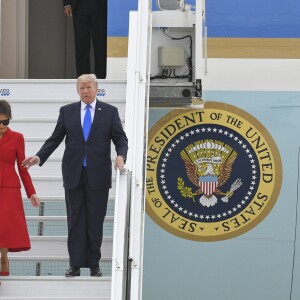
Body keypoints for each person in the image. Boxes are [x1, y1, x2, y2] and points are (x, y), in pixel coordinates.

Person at [22, 74, 128, 277]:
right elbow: (55, 139)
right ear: (77, 90)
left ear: (96, 88)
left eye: (88, 87)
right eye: (81, 88)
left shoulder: (109, 112)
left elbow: (120, 139)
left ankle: (94, 265)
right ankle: (75, 264)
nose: (85, 91)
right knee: (75, 219)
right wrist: (38, 157)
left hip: (98, 175)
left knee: (95, 221)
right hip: (73, 174)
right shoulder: (67, 111)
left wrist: (121, 156)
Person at [0, 100, 40, 277]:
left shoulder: (17, 137)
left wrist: (31, 192)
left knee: (4, 227)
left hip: (9, 188)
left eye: (5, 122)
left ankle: (3, 258)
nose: (2, 126)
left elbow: (23, 168)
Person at [63, 0, 107, 79]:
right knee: (81, 44)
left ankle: (101, 78)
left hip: (101, 5)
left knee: (101, 44)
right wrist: (67, 3)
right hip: (79, 4)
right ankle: (83, 79)